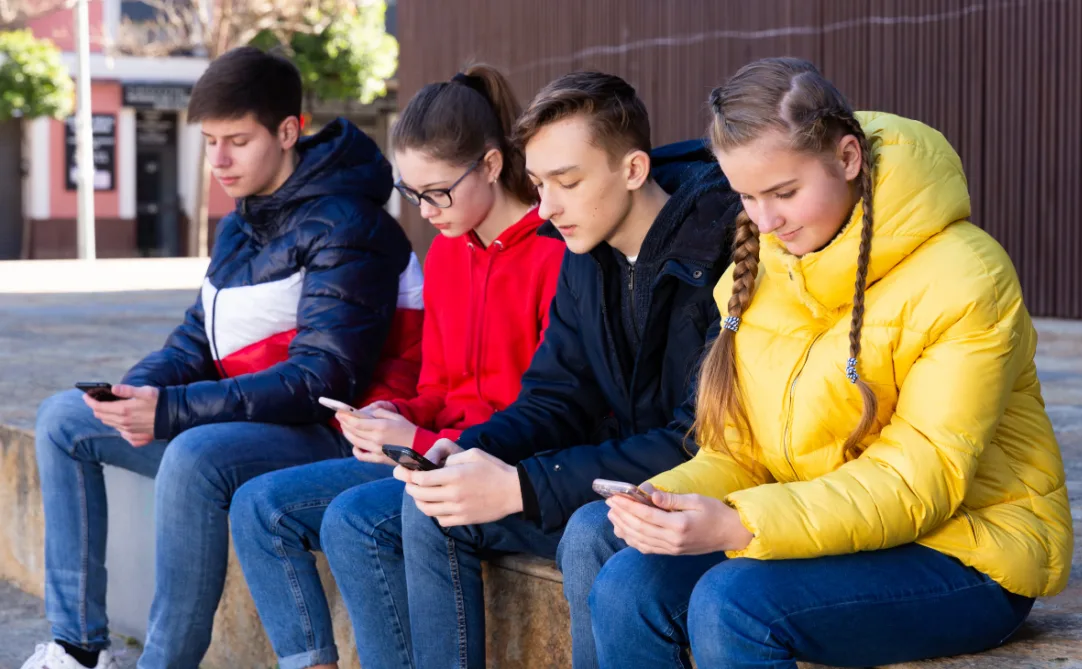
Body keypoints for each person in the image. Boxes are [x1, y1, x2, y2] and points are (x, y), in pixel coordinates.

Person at [582, 57, 1073, 669]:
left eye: (785, 193)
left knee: (734, 602)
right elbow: (741, 454)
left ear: (847, 158)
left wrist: (740, 524)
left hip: (968, 550)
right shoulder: (757, 268)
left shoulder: (965, 277)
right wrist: (667, 500)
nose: (766, 221)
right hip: (826, 524)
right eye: (746, 196)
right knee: (629, 581)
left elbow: (919, 480)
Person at [22, 46, 422, 669]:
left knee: (192, 453)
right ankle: (77, 648)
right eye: (209, 141)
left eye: (236, 140)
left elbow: (323, 378)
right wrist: (138, 394)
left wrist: (174, 411)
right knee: (64, 418)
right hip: (254, 426)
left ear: (288, 131)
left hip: (334, 436)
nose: (219, 160)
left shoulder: (349, 224)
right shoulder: (242, 223)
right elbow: (196, 340)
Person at [325, 70, 742, 669]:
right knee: (436, 505)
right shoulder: (585, 251)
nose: (546, 208)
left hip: (692, 493)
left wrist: (521, 485)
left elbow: (696, 440)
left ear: (633, 170)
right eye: (540, 183)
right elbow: (555, 397)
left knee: (590, 531)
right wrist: (466, 452)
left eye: (566, 182)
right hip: (605, 478)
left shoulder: (720, 255)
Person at [228, 63, 565, 669]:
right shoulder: (445, 255)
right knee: (260, 505)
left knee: (355, 521)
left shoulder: (552, 255)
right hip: (428, 457)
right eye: (412, 194)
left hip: (495, 467)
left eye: (438, 192)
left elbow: (544, 413)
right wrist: (390, 415)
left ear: (490, 165)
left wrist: (419, 438)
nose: (426, 210)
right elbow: (437, 386)